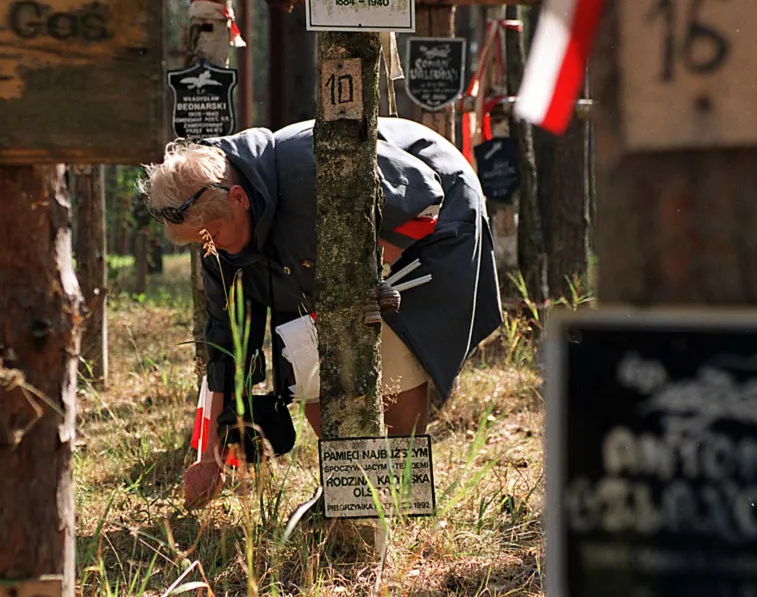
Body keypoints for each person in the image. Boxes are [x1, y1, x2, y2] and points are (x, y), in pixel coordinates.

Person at [138, 117, 503, 508]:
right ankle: (350, 493)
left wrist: (372, 271)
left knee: (394, 350)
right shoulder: (218, 246)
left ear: (239, 199)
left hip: (437, 222)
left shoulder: (313, 163)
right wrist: (209, 458)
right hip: (330, 262)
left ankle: (397, 495)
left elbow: (425, 199)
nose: (210, 250)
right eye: (200, 244)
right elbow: (225, 346)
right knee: (307, 362)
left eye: (212, 237)